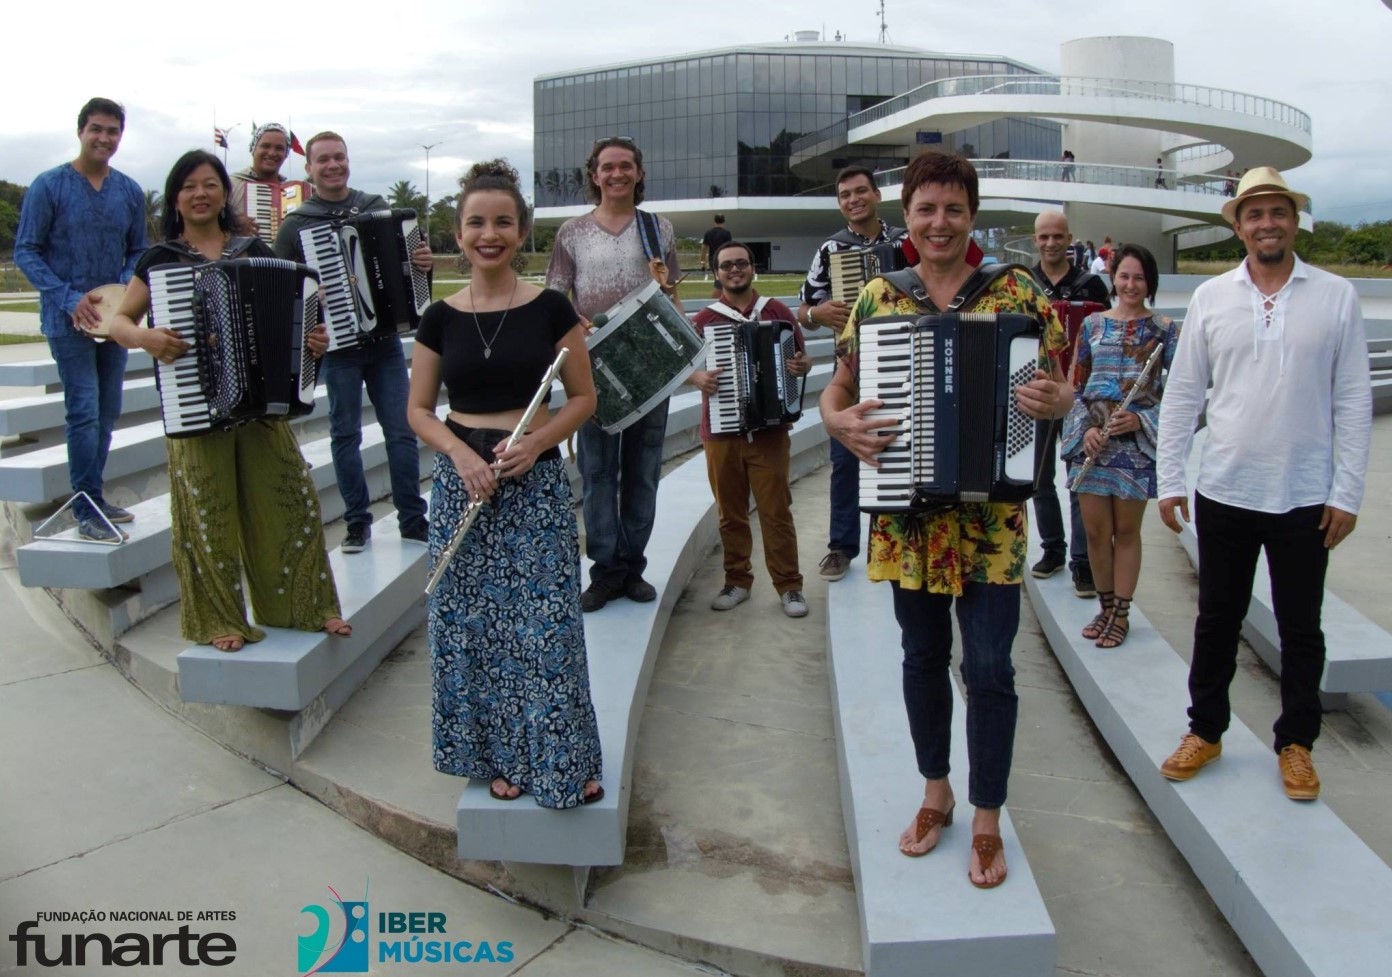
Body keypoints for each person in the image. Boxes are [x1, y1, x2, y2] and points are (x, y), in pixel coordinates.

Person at [819, 152, 1069, 888]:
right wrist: (837, 423)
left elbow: (1061, 382)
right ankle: (937, 792)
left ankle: (987, 814)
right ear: (906, 216)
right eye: (926, 209)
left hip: (992, 525)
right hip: (907, 522)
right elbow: (838, 387)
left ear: (971, 216)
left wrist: (1059, 401)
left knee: (990, 668)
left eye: (953, 209)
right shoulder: (878, 298)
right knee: (922, 657)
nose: (939, 223)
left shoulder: (1017, 292)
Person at [1155, 167, 1371, 801]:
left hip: (1305, 495)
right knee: (1216, 620)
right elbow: (1184, 394)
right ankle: (1206, 730)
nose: (1267, 223)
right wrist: (1171, 478)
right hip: (1224, 488)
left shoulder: (1335, 296)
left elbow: (1354, 400)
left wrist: (1347, 493)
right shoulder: (1211, 298)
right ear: (1239, 227)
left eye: (1278, 212)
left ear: (1294, 221)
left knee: (1301, 627)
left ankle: (1297, 742)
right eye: (1255, 214)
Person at [408, 159, 603, 808]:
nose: (488, 234)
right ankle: (498, 755)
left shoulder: (551, 309)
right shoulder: (439, 317)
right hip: (463, 485)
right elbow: (418, 410)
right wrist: (458, 455)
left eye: (501, 222)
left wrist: (538, 443)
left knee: (546, 627)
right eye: (475, 223)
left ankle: (562, 758)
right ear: (457, 234)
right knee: (476, 628)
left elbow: (583, 398)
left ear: (521, 232)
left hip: (534, 484)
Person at [105, 150, 347, 652]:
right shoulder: (161, 260)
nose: (200, 194)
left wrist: (312, 340)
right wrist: (146, 338)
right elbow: (119, 322)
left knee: (292, 500)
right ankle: (219, 619)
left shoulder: (252, 249)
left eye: (209, 184)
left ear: (223, 194)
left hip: (259, 408)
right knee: (208, 515)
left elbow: (296, 319)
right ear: (175, 198)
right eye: (189, 186)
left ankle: (305, 606)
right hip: (194, 402)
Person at [273, 131, 431, 553]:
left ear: (348, 161)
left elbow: (409, 269)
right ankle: (357, 522)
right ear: (309, 168)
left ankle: (412, 519)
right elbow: (283, 291)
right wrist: (312, 304)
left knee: (401, 431)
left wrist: (422, 263)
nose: (333, 165)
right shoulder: (296, 224)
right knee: (345, 435)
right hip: (338, 348)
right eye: (323, 159)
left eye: (339, 157)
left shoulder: (375, 207)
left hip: (384, 343)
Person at [546, 136, 682, 612]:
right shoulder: (572, 233)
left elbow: (672, 294)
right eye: (608, 167)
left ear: (639, 173)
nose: (617, 174)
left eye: (626, 165)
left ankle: (632, 566)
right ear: (594, 175)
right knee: (599, 472)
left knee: (643, 471)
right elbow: (555, 296)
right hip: (594, 369)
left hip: (650, 369)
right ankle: (605, 572)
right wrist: (576, 323)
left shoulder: (658, 229)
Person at [14, 97, 147, 542]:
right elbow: (26, 251)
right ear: (81, 131)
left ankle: (95, 496)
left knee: (108, 411)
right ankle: (86, 507)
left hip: (116, 321)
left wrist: (123, 290)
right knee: (84, 410)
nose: (104, 138)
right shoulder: (48, 185)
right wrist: (69, 299)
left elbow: (138, 250)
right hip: (67, 321)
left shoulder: (129, 191)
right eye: (97, 129)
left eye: (113, 131)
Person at [1060, 243, 1180, 648]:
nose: (1130, 284)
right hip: (1094, 445)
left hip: (1134, 447)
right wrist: (1085, 431)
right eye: (1124, 276)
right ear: (1113, 278)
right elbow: (1076, 386)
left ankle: (1122, 614)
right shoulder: (1092, 325)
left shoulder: (1165, 330)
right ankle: (1106, 607)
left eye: (1139, 277)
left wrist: (1142, 419)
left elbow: (1184, 394)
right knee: (1096, 533)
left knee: (1126, 532)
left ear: (1150, 282)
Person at [688, 240, 812, 618]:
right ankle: (737, 581)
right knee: (730, 514)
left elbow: (801, 358)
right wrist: (697, 378)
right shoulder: (704, 320)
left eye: (741, 263)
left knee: (776, 512)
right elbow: (681, 367)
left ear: (753, 268)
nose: (735, 270)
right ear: (716, 273)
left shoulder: (775, 311)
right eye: (726, 265)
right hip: (721, 432)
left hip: (770, 432)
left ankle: (789, 586)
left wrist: (801, 367)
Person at [797, 165, 907, 584]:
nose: (854, 199)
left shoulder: (906, 242)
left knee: (900, 450)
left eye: (861, 191)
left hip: (903, 359)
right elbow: (803, 309)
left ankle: (899, 540)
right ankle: (841, 547)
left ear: (876, 195)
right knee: (844, 459)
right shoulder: (830, 249)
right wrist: (817, 314)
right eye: (845, 194)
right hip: (852, 363)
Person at [1028, 211, 1111, 598]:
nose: (1050, 243)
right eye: (1044, 237)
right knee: (1040, 478)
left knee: (1079, 478)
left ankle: (1082, 562)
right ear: (1035, 240)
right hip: (1039, 391)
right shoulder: (1024, 283)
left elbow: (1106, 332)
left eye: (1057, 236)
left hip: (1083, 394)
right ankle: (1053, 549)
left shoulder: (1091, 285)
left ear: (1069, 238)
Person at [228, 122, 291, 230]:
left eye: (279, 148)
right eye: (265, 146)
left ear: (286, 154)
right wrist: (231, 223)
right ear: (253, 149)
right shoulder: (230, 185)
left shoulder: (292, 191)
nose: (272, 153)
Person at [700, 213, 732, 286]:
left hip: (713, 258)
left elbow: (704, 248)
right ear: (724, 221)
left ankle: (719, 290)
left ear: (714, 221)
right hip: (724, 258)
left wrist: (703, 262)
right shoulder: (727, 233)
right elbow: (729, 248)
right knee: (724, 277)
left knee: (717, 277)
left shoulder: (708, 233)